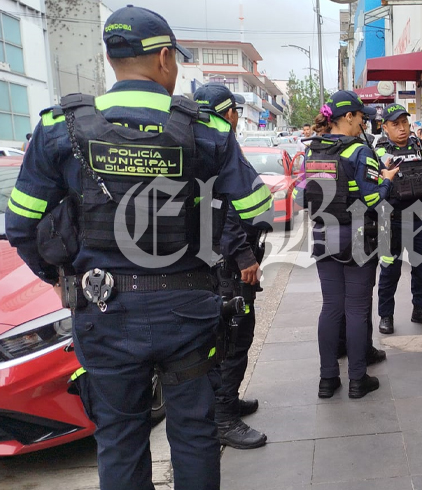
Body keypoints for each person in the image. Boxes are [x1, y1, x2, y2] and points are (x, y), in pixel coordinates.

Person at [6, 6, 270, 489]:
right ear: (165, 57)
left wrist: (64, 280)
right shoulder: (206, 128)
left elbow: (21, 225)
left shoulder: (59, 128)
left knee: (120, 436)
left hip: (103, 310)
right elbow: (255, 207)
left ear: (111, 57)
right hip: (188, 309)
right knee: (194, 432)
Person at [293, 90, 398, 399]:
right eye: (361, 117)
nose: (363, 123)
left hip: (323, 236)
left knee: (331, 308)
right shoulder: (359, 152)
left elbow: (300, 197)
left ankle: (327, 380)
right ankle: (357, 379)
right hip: (357, 239)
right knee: (356, 309)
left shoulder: (312, 151)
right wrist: (387, 179)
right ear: (348, 116)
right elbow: (373, 199)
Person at [193, 83, 267, 449]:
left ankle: (227, 401)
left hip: (213, 260)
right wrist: (244, 256)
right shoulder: (219, 146)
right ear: (230, 114)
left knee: (226, 336)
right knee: (235, 338)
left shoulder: (194, 144)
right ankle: (223, 418)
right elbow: (227, 210)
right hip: (229, 263)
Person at [375, 104, 422, 335]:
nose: (402, 128)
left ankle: (420, 309)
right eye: (395, 124)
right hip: (390, 219)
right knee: (389, 269)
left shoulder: (418, 146)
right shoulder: (379, 151)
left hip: (418, 217)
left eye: (404, 122)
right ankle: (386, 316)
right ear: (385, 127)